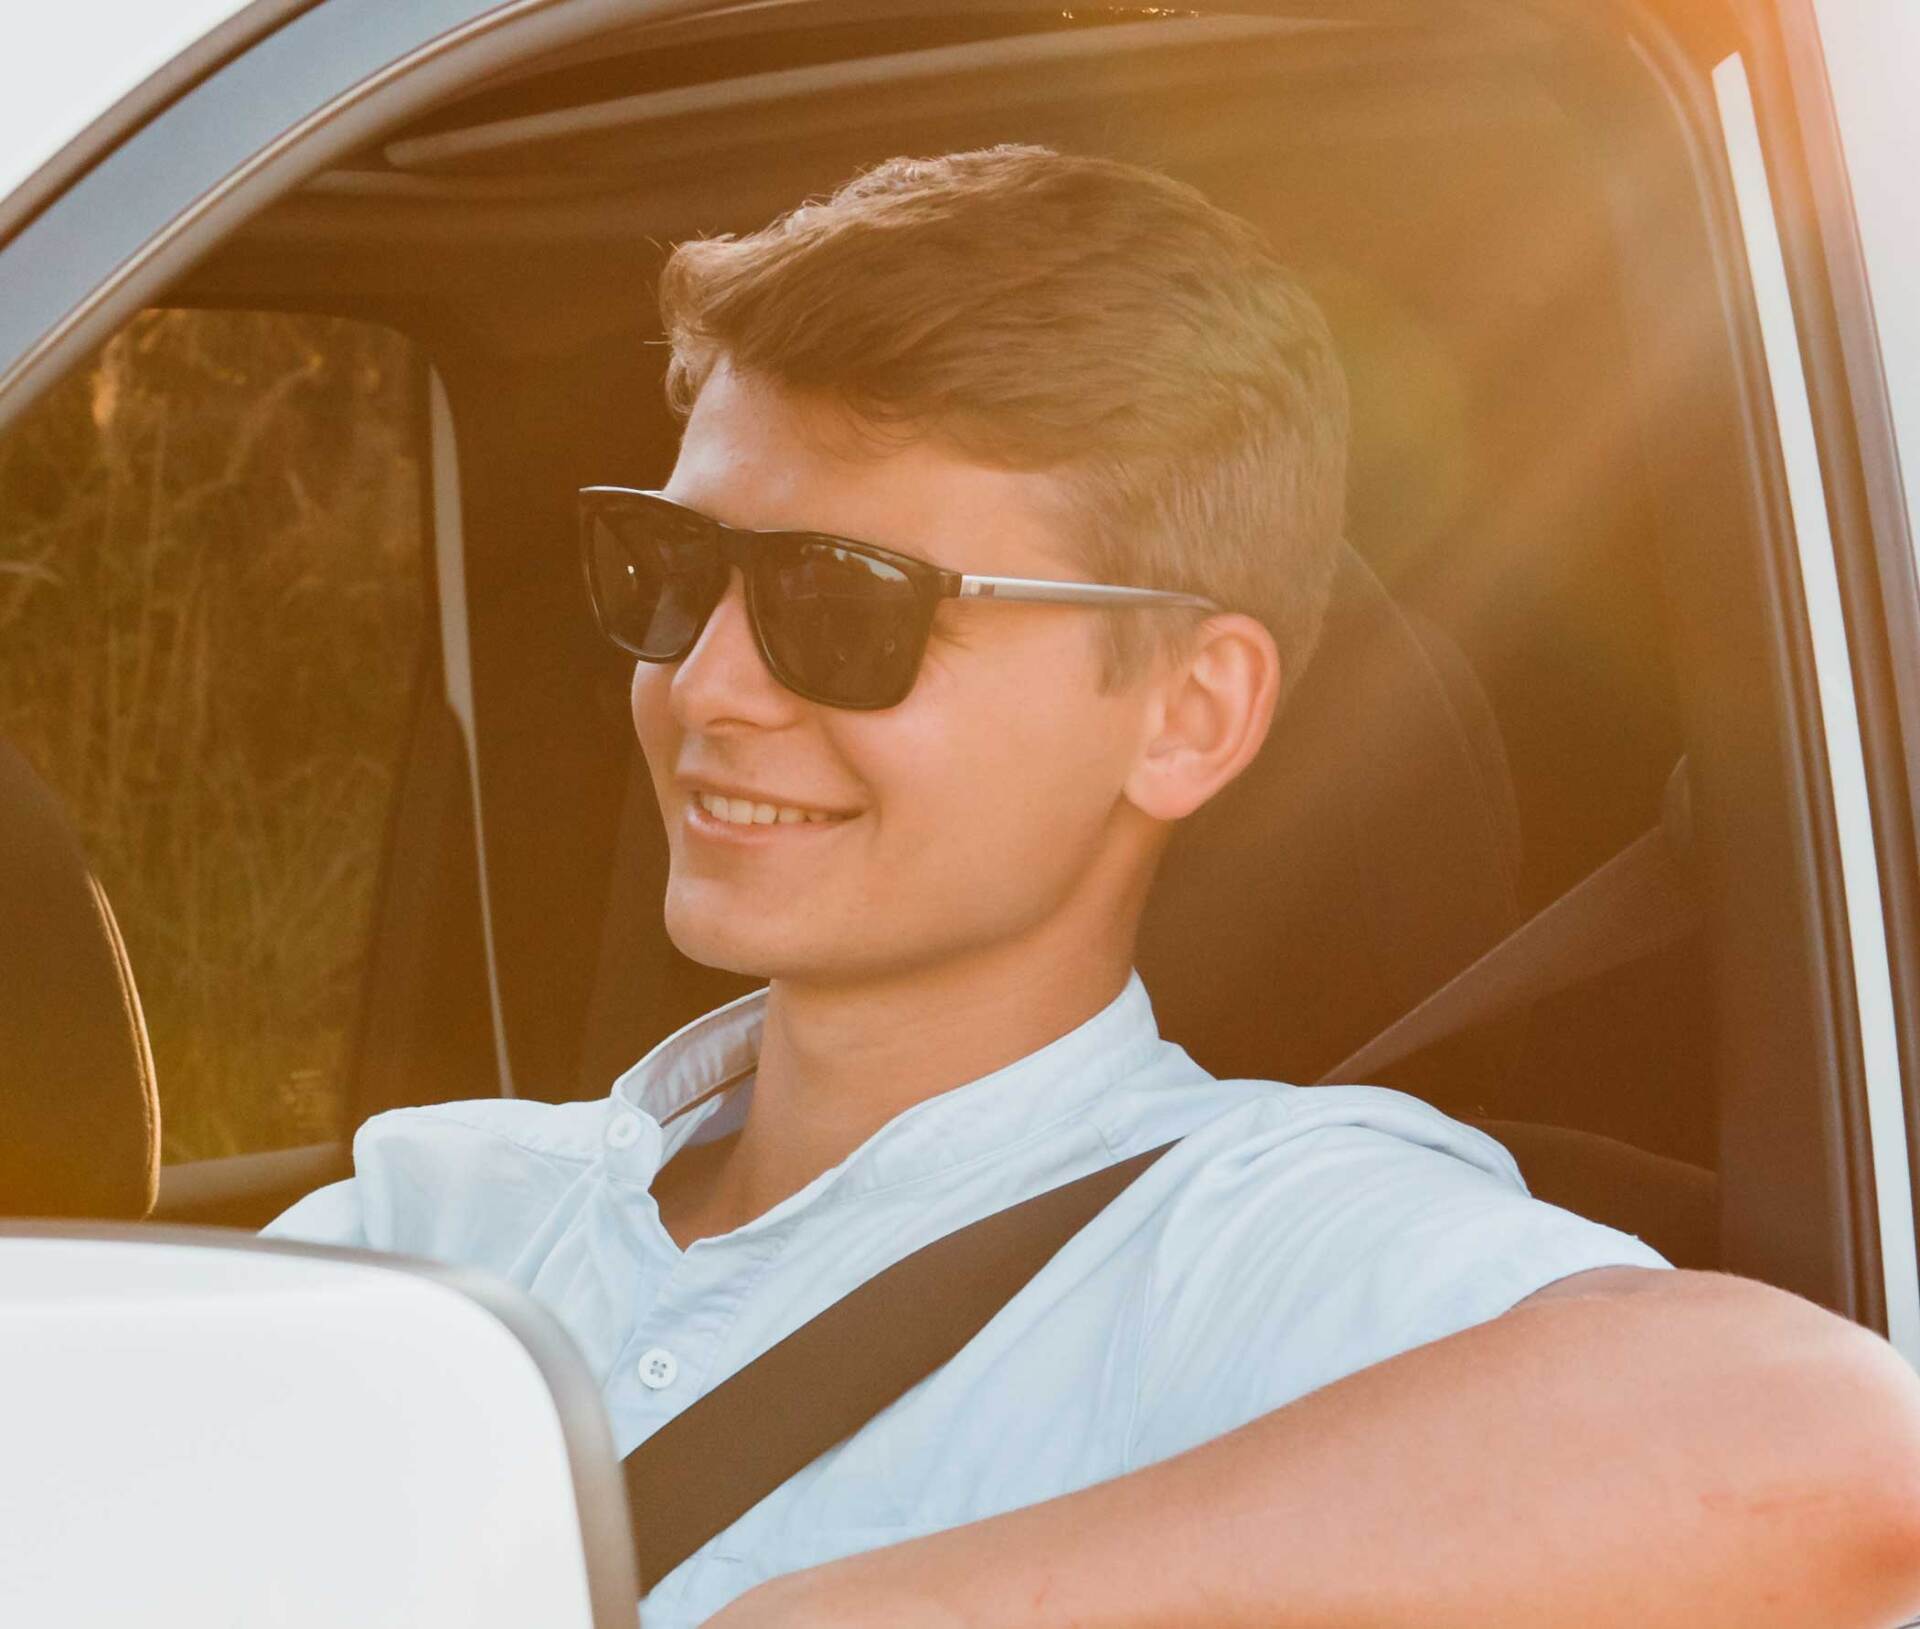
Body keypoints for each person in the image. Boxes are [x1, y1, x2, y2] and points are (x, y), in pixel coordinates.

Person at [266, 146, 1920, 1629]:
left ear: (1188, 715)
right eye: (671, 570)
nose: (707, 685)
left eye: (845, 604)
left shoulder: (1236, 1231)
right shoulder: (440, 1210)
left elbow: (1833, 1448)